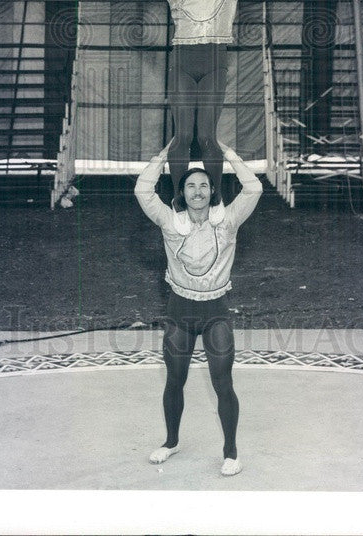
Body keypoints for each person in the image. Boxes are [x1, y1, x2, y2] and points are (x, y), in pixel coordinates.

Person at [134, 138, 263, 477]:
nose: (197, 191)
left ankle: (231, 451)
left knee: (223, 382)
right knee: (175, 380)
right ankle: (171, 441)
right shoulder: (169, 222)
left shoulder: (229, 221)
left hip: (215, 312)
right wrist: (160, 157)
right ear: (182, 193)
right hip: (180, 313)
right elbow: (143, 192)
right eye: (190, 186)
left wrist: (230, 155)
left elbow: (253, 189)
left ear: (212, 191)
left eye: (204, 185)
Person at [135, 0, 269, 214]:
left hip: (214, 60)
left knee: (207, 135)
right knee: (182, 135)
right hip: (182, 60)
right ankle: (181, 202)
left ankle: (215, 200)